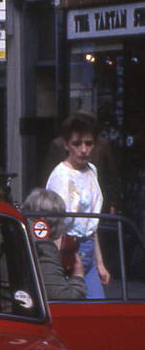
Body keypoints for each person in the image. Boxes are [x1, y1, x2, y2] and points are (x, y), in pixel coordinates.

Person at [46, 111, 110, 298]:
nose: (83, 149)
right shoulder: (61, 176)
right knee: (73, 309)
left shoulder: (92, 171)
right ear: (66, 145)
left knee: (97, 311)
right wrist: (55, 268)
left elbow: (91, 223)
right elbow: (56, 226)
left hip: (88, 249)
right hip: (67, 251)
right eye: (77, 144)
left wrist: (100, 264)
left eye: (88, 143)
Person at [20, 188, 86, 301]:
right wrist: (78, 276)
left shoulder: (18, 230)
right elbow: (63, 297)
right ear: (55, 221)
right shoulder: (42, 245)